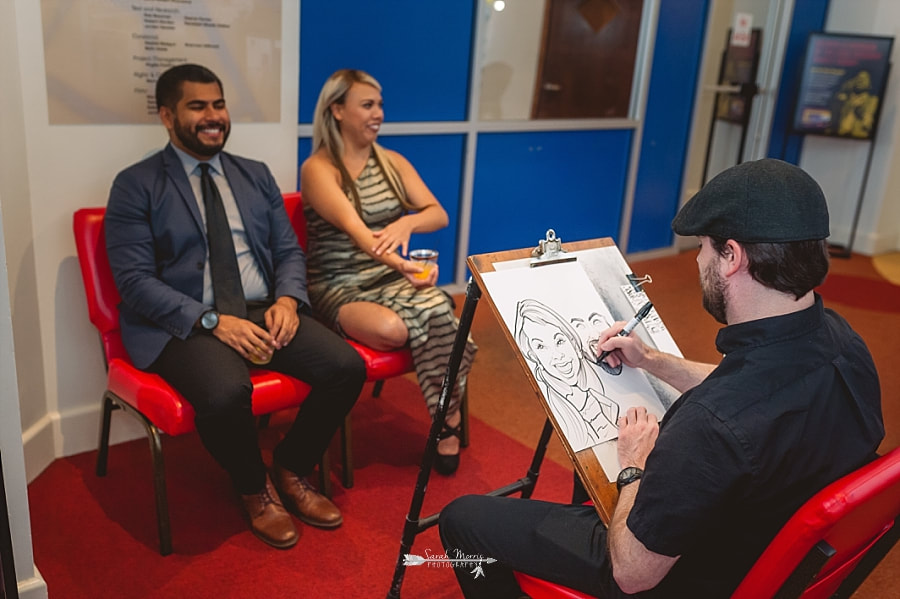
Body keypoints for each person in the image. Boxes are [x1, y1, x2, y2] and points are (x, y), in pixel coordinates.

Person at [439, 158, 884, 597]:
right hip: (767, 548)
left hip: (685, 572)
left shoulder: (711, 424)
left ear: (732, 257)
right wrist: (653, 360)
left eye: (703, 248)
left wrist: (634, 466)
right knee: (588, 477)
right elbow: (759, 390)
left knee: (463, 519)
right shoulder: (844, 343)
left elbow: (632, 575)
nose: (697, 262)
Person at [105, 64, 367, 550]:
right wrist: (211, 321)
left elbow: (289, 251)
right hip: (184, 322)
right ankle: (253, 488)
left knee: (346, 366)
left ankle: (289, 466)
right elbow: (135, 283)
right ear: (167, 115)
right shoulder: (136, 185)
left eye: (219, 104)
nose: (213, 116)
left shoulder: (254, 174)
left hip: (262, 308)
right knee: (227, 392)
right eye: (197, 106)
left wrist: (289, 299)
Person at [299, 69, 477, 475]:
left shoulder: (393, 161)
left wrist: (406, 224)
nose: (378, 113)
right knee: (396, 329)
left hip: (390, 277)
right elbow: (361, 235)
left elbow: (438, 214)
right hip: (338, 283)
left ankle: (445, 420)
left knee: (442, 311)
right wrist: (408, 265)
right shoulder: (318, 169)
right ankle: (448, 412)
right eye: (367, 105)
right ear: (337, 110)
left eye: (379, 104)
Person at [515, 299, 620, 449]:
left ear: (573, 342)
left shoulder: (601, 385)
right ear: (533, 356)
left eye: (559, 341)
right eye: (541, 347)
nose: (557, 355)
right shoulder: (563, 408)